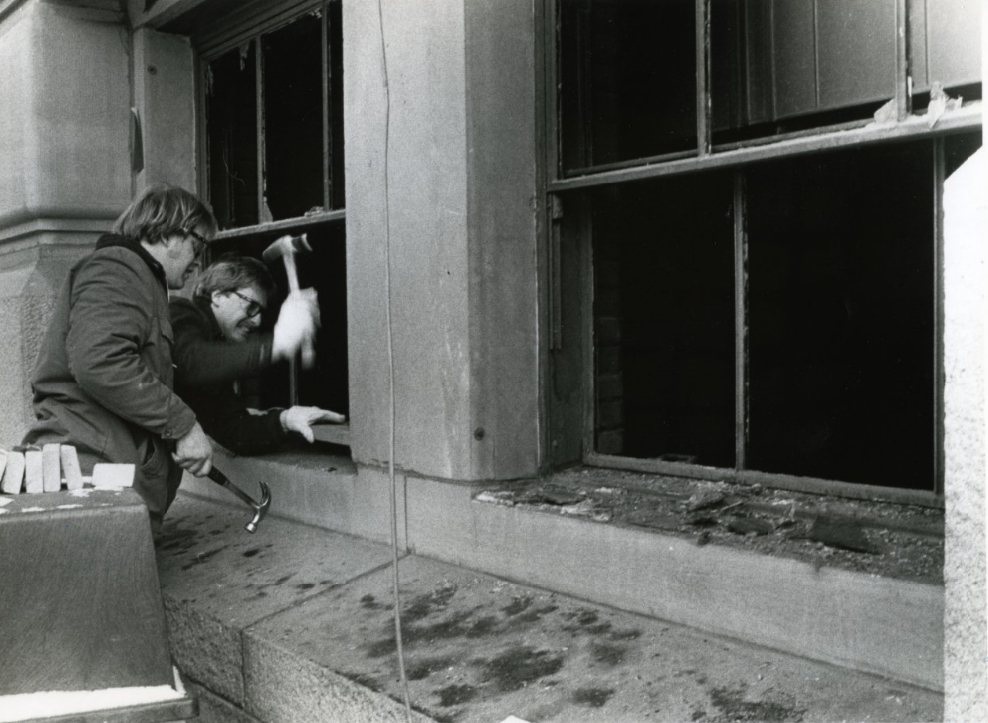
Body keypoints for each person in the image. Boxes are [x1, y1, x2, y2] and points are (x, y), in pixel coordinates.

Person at [23, 184, 217, 525]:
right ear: (167, 231)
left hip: (101, 484)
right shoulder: (119, 268)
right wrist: (184, 427)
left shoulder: (139, 278)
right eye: (197, 243)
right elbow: (100, 361)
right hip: (91, 483)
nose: (198, 261)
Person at [169, 253, 344, 456]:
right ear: (217, 295)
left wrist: (286, 419)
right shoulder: (180, 313)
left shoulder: (215, 351)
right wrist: (277, 344)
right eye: (251, 306)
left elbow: (234, 430)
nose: (257, 321)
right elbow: (191, 362)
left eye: (261, 311)